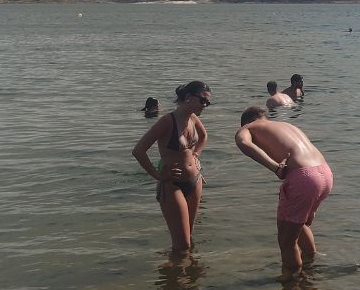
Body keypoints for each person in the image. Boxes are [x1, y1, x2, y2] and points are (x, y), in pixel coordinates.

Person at [235, 107, 333, 278]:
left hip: (304, 178)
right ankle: (311, 266)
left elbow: (244, 143)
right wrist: (313, 207)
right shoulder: (287, 126)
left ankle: (292, 284)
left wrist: (275, 168)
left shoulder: (247, 128)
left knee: (287, 242)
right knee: (299, 223)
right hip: (325, 173)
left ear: (246, 122)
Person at [132, 81, 211, 253]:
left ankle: (186, 276)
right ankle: (174, 276)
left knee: (189, 239)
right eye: (203, 101)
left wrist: (196, 155)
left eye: (208, 102)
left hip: (195, 181)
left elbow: (204, 136)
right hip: (172, 185)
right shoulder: (167, 121)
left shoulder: (193, 118)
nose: (205, 105)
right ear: (189, 98)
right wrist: (157, 175)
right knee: (182, 245)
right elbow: (139, 151)